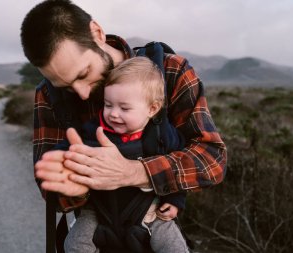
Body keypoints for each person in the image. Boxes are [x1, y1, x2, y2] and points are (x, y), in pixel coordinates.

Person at [20, 0, 226, 246]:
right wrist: (72, 189)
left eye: (84, 74)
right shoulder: (49, 95)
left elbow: (212, 159)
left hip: (154, 232)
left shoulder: (169, 71)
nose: (82, 93)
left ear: (96, 33)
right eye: (66, 86)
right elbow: (51, 188)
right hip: (97, 235)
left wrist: (134, 172)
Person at [54, 56, 189, 252]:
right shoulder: (94, 130)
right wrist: (58, 158)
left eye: (124, 108)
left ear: (152, 108)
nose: (114, 114)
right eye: (108, 105)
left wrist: (175, 201)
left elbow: (177, 169)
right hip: (98, 210)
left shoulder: (163, 135)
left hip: (149, 209)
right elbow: (69, 145)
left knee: (173, 245)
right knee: (75, 245)